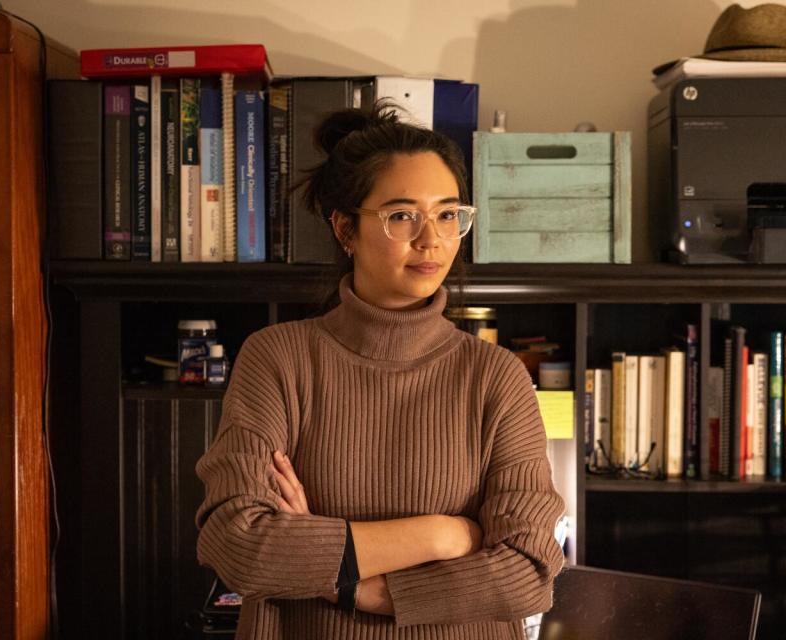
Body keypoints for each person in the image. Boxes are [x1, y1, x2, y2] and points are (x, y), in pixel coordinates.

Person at [195, 103, 565, 639]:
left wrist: (350, 586)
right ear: (345, 228)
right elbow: (236, 543)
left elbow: (528, 571)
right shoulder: (277, 358)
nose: (431, 239)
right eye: (401, 215)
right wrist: (445, 535)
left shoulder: (496, 376)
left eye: (447, 214)